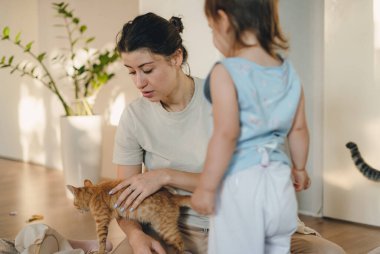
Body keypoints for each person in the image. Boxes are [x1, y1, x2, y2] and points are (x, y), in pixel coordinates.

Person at [106, 11, 345, 254]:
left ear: (176, 58)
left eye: (147, 69)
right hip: (172, 230)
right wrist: (136, 237)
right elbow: (123, 199)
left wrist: (165, 176)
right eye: (131, 72)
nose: (139, 82)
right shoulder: (135, 117)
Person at [189, 0, 339, 254]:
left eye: (211, 28)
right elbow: (299, 128)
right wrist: (300, 168)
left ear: (224, 21)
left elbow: (226, 134)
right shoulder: (288, 72)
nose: (213, 37)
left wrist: (206, 186)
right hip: (280, 185)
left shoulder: (225, 72)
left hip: (241, 186)